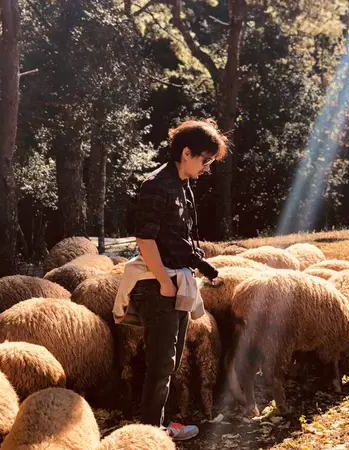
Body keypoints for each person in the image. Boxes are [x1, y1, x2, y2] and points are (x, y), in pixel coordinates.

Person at [113, 119, 228, 441]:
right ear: (186, 152)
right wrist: (164, 281)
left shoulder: (182, 185)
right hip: (158, 284)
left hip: (178, 280)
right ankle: (150, 434)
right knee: (162, 362)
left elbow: (179, 238)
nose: (207, 167)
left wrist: (203, 267)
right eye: (204, 160)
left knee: (171, 360)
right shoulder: (156, 185)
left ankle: (158, 426)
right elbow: (145, 239)